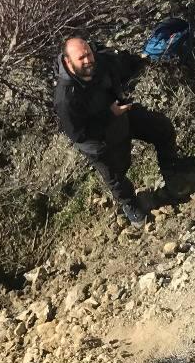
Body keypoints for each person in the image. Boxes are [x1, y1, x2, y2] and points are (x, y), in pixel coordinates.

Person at [54, 35, 181, 225]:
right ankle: (130, 205)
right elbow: (78, 134)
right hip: (98, 139)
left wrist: (143, 61)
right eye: (81, 58)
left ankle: (172, 173)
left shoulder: (100, 62)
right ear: (68, 61)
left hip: (120, 113)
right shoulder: (65, 98)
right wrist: (109, 114)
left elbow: (122, 64)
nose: (88, 60)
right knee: (116, 176)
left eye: (89, 53)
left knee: (162, 128)